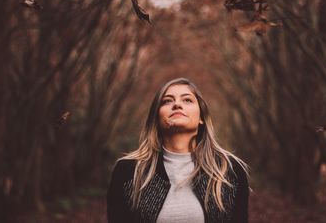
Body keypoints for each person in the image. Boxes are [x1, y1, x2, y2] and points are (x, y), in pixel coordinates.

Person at [107, 77, 250, 223]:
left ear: (201, 118)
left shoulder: (230, 171)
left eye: (187, 100)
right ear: (156, 118)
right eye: (167, 101)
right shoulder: (128, 171)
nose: (177, 104)